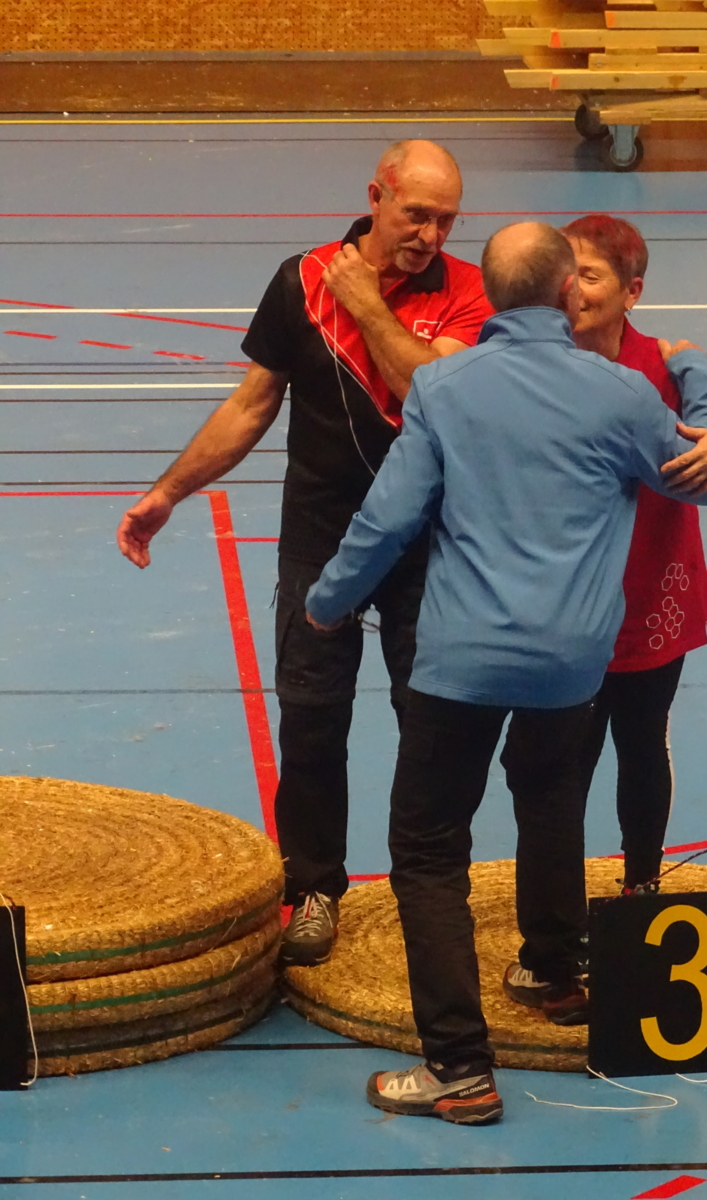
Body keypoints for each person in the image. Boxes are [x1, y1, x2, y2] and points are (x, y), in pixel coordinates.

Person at [304, 221, 707, 1125]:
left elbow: (389, 518)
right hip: (572, 662)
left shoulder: (445, 386)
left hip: (460, 660)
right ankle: (553, 971)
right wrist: (700, 378)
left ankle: (458, 1069)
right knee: (551, 801)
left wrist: (329, 600)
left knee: (429, 851)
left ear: (488, 296)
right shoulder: (622, 393)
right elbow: (704, 475)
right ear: (565, 291)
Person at [115, 140, 493, 967]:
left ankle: (429, 888)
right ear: (375, 198)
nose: (430, 235)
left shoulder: (470, 292)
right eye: (416, 214)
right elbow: (252, 405)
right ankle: (315, 887)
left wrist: (365, 304)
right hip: (321, 538)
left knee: (431, 722)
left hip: (429, 542)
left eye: (446, 220)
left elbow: (430, 393)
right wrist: (169, 492)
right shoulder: (301, 280)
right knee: (313, 720)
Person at [561, 214, 707, 897]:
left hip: (652, 598)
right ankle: (557, 900)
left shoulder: (670, 368)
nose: (573, 289)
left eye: (591, 276)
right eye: (565, 273)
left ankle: (642, 886)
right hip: (565, 605)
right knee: (564, 759)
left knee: (642, 742)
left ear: (633, 292)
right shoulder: (538, 364)